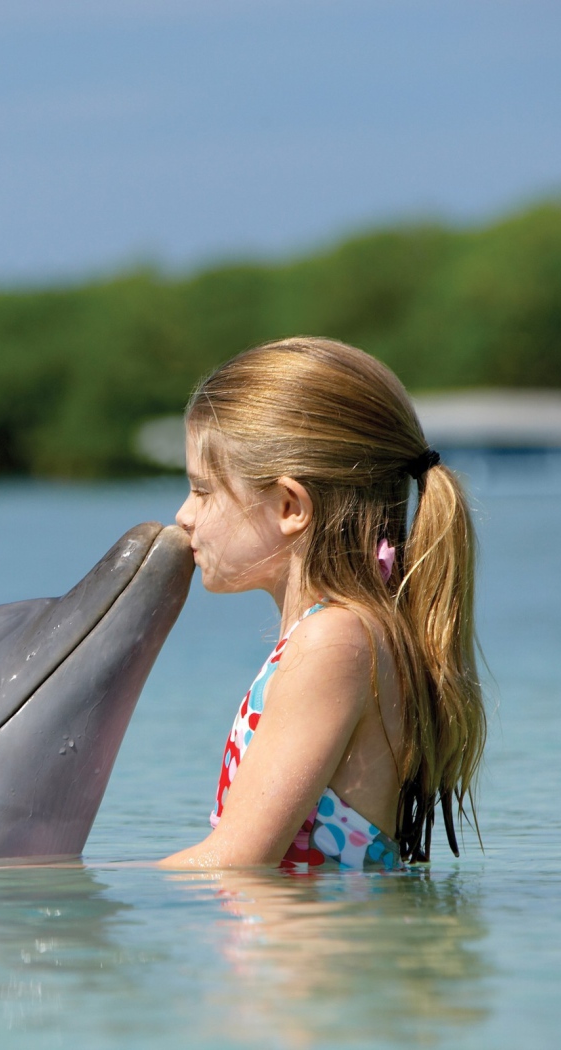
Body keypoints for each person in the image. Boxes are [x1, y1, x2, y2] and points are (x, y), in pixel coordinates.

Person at [160, 337, 484, 871]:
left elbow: (235, 862)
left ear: (290, 505)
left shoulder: (333, 639)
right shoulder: (346, 632)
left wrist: (57, 890)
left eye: (202, 490)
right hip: (315, 951)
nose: (184, 515)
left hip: (326, 954)